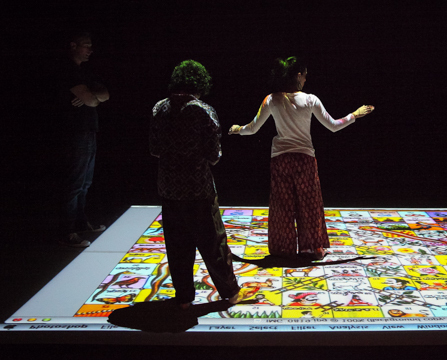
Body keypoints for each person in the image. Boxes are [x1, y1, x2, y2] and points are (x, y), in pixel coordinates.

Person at [229, 56, 374, 260]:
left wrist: (237, 129)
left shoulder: (272, 99)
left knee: (282, 205)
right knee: (309, 203)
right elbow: (333, 125)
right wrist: (355, 115)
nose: (306, 79)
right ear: (298, 75)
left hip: (280, 159)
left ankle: (282, 249)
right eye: (305, 75)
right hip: (304, 159)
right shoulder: (310, 100)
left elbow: (252, 129)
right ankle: (312, 248)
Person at [149, 60, 244, 309]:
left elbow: (154, 149)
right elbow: (214, 155)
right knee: (212, 242)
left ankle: (184, 298)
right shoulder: (203, 110)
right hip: (198, 188)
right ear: (200, 84)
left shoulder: (159, 108)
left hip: (168, 187)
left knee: (177, 244)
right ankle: (230, 292)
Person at [58, 31, 109, 247]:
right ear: (73, 46)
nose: (90, 50)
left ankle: (80, 223)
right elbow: (91, 99)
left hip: (88, 130)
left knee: (85, 182)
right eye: (85, 45)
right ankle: (67, 232)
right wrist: (90, 96)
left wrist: (91, 96)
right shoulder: (67, 69)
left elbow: (104, 95)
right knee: (75, 182)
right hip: (75, 132)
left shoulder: (84, 71)